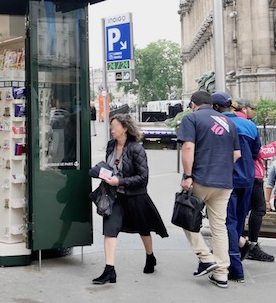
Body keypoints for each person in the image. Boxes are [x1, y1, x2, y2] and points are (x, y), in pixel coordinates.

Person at [92, 114, 169, 285]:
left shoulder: (136, 149)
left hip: (135, 196)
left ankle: (150, 256)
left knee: (143, 228)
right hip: (114, 196)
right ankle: (109, 270)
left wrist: (119, 181)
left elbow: (143, 177)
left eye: (115, 127)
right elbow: (110, 166)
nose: (112, 130)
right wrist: (103, 174)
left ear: (125, 128)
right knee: (110, 230)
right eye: (111, 126)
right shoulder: (111, 145)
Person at [177, 91, 241, 289]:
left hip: (200, 178)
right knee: (219, 227)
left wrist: (187, 175)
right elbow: (237, 154)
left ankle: (205, 258)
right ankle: (221, 274)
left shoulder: (192, 118)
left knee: (185, 217)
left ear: (193, 104)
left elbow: (188, 147)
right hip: (224, 182)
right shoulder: (229, 122)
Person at [212, 92, 260, 282]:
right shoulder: (249, 125)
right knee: (238, 221)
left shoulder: (218, 125)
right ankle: (235, 256)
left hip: (227, 179)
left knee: (228, 222)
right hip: (247, 178)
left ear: (215, 107)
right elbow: (256, 152)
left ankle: (235, 267)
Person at [235, 98, 276, 262]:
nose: (253, 111)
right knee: (258, 209)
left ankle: (237, 243)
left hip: (232, 174)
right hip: (251, 174)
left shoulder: (226, 122)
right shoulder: (248, 125)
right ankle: (251, 245)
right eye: (252, 108)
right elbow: (258, 152)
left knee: (238, 211)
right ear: (245, 109)